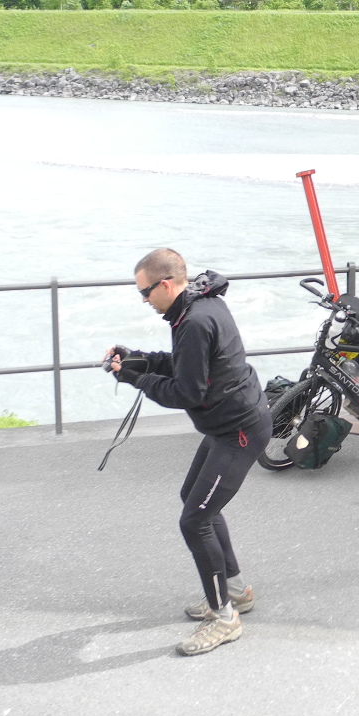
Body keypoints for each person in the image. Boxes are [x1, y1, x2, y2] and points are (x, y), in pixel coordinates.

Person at [105, 248, 271, 656]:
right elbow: (186, 365)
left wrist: (136, 379)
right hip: (227, 423)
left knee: (195, 520)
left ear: (165, 284)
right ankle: (235, 591)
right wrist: (138, 360)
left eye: (145, 292)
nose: (144, 300)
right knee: (194, 503)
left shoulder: (194, 321)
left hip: (238, 430)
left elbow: (186, 392)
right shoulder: (197, 304)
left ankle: (224, 618)